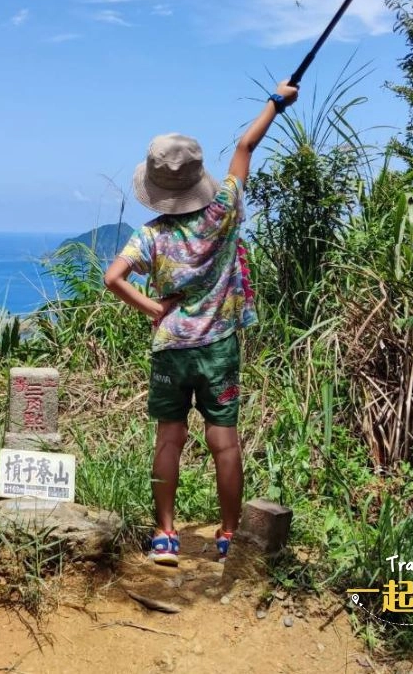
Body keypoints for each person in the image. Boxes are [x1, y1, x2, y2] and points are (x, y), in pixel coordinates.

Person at [103, 81, 299, 567]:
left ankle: (165, 534)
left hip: (171, 349)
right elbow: (245, 146)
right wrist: (276, 102)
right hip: (218, 348)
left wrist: (153, 309)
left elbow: (113, 278)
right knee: (223, 442)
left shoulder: (151, 236)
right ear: (198, 178)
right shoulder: (223, 212)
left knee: (169, 439)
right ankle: (229, 534)